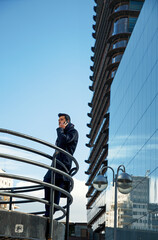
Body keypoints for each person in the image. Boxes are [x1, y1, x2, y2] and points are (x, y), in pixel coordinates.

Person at [43, 113, 78, 217]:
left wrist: (60, 130)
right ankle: (48, 211)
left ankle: (50, 212)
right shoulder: (62, 132)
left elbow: (63, 141)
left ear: (67, 121)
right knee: (47, 180)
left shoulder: (73, 132)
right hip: (56, 162)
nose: (59, 122)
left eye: (61, 120)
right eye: (58, 120)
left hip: (64, 163)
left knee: (58, 184)